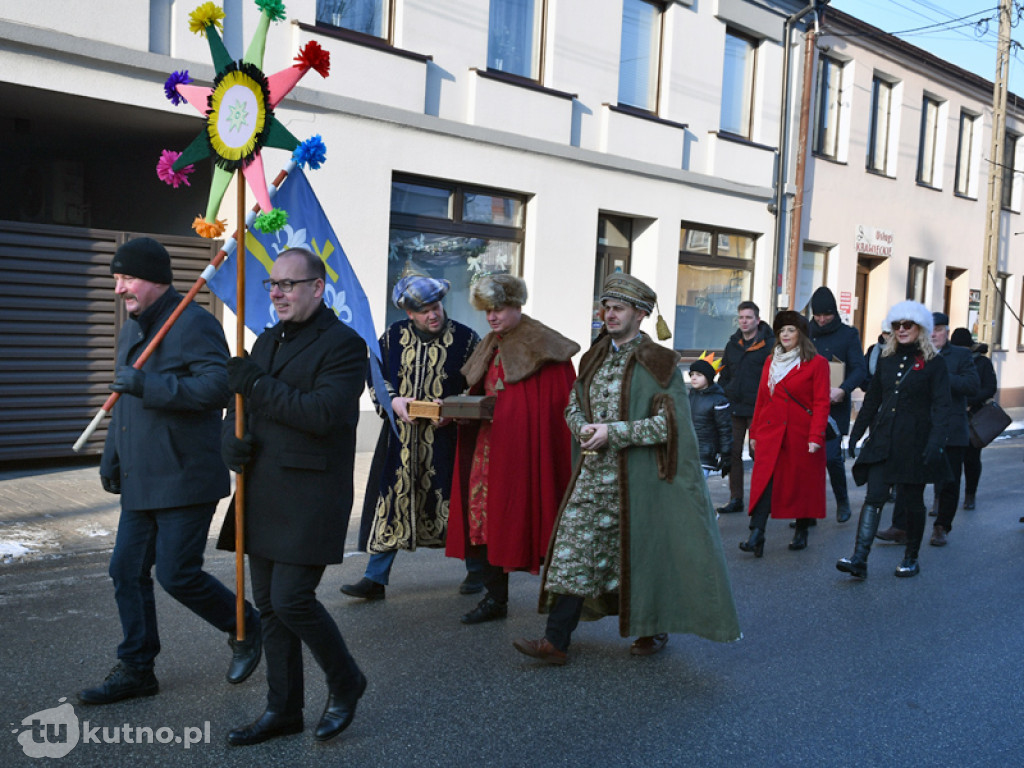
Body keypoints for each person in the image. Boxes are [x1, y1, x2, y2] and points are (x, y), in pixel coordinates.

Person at [512, 274, 740, 665]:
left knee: (640, 556)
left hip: (638, 482)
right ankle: (556, 641)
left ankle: (652, 629)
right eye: (606, 307)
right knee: (573, 553)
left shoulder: (660, 362)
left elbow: (670, 427)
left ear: (641, 313)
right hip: (591, 480)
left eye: (618, 308)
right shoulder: (594, 357)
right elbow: (572, 402)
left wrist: (612, 433)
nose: (609, 314)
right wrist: (580, 425)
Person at [79, 238, 261, 706]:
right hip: (142, 476)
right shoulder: (133, 329)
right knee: (125, 571)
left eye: (127, 278)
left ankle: (245, 625)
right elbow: (125, 404)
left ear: (156, 279)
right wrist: (112, 454)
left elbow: (219, 387)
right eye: (115, 279)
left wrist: (149, 384)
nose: (119, 289)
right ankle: (138, 667)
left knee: (177, 575)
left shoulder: (192, 323)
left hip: (184, 475)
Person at [220, 248, 367, 746]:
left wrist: (257, 385)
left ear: (318, 288)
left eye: (288, 284)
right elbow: (240, 406)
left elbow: (324, 413)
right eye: (272, 285)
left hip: (311, 492)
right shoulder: (265, 341)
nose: (277, 293)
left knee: (291, 599)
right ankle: (283, 710)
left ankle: (345, 678)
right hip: (263, 489)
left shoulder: (345, 345)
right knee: (269, 606)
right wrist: (230, 441)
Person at [446, 273, 579, 625]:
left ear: (517, 305)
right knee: (484, 521)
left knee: (527, 516)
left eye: (499, 308)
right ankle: (494, 598)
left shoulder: (544, 344)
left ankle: (559, 609)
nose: (492, 316)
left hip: (524, 452)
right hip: (486, 451)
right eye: (487, 310)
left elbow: (556, 405)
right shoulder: (489, 342)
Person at [341, 273, 483, 600]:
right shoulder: (392, 337)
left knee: (460, 502)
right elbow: (375, 374)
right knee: (391, 504)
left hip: (448, 442)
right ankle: (375, 579)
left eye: (435, 307)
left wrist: (453, 409)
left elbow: (479, 385)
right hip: (400, 441)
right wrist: (392, 400)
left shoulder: (467, 339)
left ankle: (478, 572)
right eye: (423, 311)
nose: (432, 314)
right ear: (409, 314)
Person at [838, 301, 952, 579]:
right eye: (897, 325)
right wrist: (856, 433)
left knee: (912, 502)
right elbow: (873, 400)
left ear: (920, 328)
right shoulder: (887, 360)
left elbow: (942, 407)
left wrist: (936, 443)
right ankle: (859, 559)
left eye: (907, 325)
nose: (901, 330)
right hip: (884, 439)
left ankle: (911, 558)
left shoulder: (935, 364)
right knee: (874, 497)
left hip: (916, 442)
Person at [739, 311, 829, 557]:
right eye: (782, 331)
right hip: (770, 431)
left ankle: (801, 530)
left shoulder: (817, 363)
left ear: (801, 335)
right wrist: (754, 432)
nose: (785, 335)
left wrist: (816, 436)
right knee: (764, 483)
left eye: (791, 330)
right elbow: (762, 399)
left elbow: (821, 403)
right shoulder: (771, 361)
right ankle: (756, 533)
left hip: (800, 433)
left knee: (801, 484)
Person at [808, 287, 867, 523]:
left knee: (832, 458)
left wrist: (843, 389)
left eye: (827, 315)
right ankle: (808, 511)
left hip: (834, 405)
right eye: (818, 315)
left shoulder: (848, 335)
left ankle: (842, 501)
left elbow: (859, 369)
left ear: (834, 312)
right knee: (808, 460)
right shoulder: (806, 333)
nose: (822, 320)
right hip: (807, 406)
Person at [717, 301, 775, 514]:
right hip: (734, 407)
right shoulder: (733, 344)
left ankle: (763, 497)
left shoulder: (770, 344)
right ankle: (736, 499)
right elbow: (725, 372)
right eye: (741, 317)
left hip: (759, 408)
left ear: (757, 320)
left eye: (748, 317)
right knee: (732, 452)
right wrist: (720, 393)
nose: (744, 321)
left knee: (757, 452)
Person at [928, 313, 980, 546]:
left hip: (952, 428)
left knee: (949, 481)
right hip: (921, 427)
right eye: (929, 329)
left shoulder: (961, 355)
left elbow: (971, 385)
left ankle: (941, 526)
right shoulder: (916, 355)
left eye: (938, 329)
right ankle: (901, 526)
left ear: (946, 332)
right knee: (907, 479)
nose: (933, 334)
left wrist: (941, 375)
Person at [951, 327, 997, 511]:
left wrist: (970, 400)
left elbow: (990, 387)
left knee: (971, 460)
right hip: (952, 416)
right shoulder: (948, 360)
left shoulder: (982, 363)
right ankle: (941, 498)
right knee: (947, 461)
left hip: (974, 418)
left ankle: (970, 495)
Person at [687, 353, 732, 478]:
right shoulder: (689, 396)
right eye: (692, 375)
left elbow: (725, 429)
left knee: (698, 490)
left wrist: (726, 454)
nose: (694, 378)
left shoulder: (718, 400)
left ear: (708, 377)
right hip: (686, 453)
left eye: (699, 375)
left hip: (705, 455)